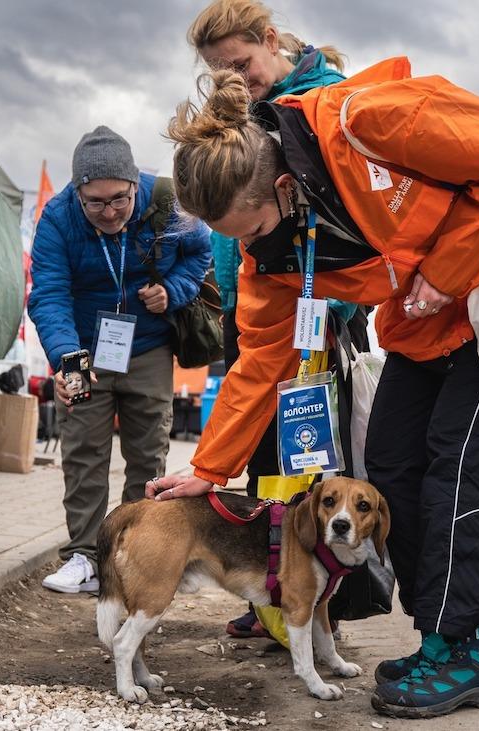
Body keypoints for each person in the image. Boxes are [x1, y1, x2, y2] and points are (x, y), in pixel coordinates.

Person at [148, 63, 479, 718]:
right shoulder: (271, 257)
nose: (250, 253)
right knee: (393, 470)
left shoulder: (367, 120)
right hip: (423, 327)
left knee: (461, 468)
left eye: (252, 230)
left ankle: (473, 647)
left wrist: (446, 271)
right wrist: (209, 468)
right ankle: (439, 639)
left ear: (284, 187)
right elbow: (261, 358)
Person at [188, 0, 352, 641]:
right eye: (219, 70)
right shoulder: (239, 112)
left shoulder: (325, 98)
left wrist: (337, 303)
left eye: (242, 63)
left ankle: (322, 609)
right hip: (249, 302)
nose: (237, 78)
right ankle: (273, 596)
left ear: (270, 39)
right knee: (262, 458)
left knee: (312, 459)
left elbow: (348, 215)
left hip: (315, 305)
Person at [28, 126, 212, 594]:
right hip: (85, 347)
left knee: (147, 451)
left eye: (119, 200)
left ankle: (135, 553)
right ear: (78, 193)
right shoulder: (58, 218)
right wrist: (67, 362)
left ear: (135, 185)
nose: (109, 212)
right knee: (84, 449)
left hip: (149, 344)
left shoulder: (169, 200)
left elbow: (199, 255)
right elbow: (49, 294)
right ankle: (86, 556)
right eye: (96, 202)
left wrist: (174, 291)